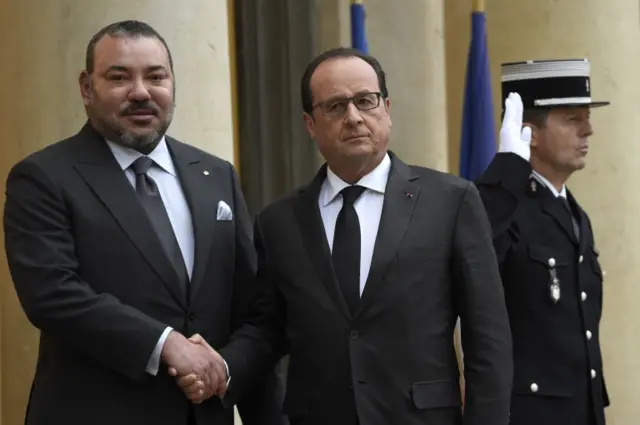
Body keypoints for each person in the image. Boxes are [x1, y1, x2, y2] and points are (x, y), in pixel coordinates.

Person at [179, 47, 514, 425]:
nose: (353, 117)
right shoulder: (279, 222)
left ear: (386, 108)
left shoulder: (451, 201)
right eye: (336, 107)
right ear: (310, 123)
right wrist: (223, 366)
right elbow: (268, 329)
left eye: (365, 101)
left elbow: (487, 338)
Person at [3, 20, 285, 425]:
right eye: (119, 77)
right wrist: (165, 343)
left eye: (156, 76)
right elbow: (52, 294)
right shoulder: (45, 177)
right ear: (87, 88)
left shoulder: (215, 174)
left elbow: (249, 308)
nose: (141, 92)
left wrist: (228, 370)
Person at [475, 59, 610, 425]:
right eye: (572, 119)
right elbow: (472, 257)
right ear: (529, 132)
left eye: (587, 117)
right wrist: (506, 171)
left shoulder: (573, 213)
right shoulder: (504, 206)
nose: (588, 130)